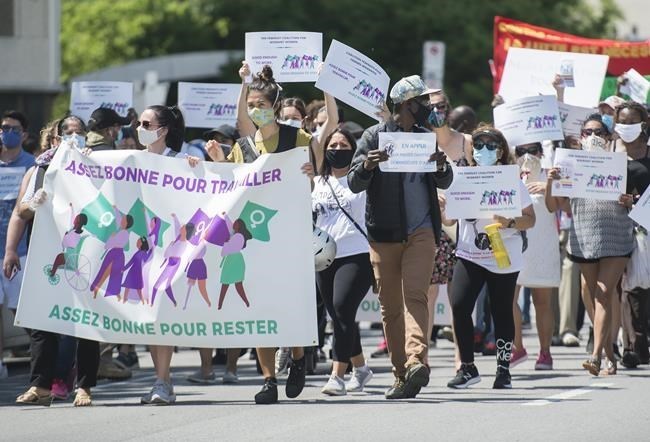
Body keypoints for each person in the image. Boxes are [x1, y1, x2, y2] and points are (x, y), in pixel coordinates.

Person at [209, 64, 315, 405]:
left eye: (260, 104)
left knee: (287, 302)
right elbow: (233, 185)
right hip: (252, 236)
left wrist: (310, 173)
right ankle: (268, 378)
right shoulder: (243, 145)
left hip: (289, 233)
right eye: (250, 104)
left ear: (274, 104)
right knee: (259, 306)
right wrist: (216, 162)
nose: (254, 110)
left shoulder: (298, 138)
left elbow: (310, 181)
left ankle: (297, 357)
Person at [348, 74, 452, 399]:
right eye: (423, 102)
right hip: (383, 233)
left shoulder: (426, 137)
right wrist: (367, 165)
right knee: (390, 306)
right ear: (407, 105)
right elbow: (353, 182)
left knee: (416, 296)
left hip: (422, 231)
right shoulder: (374, 136)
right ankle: (401, 373)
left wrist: (440, 166)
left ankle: (417, 360)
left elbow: (444, 180)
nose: (428, 108)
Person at [447, 125, 535, 390]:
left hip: (502, 253)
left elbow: (530, 219)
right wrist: (442, 208)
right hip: (469, 252)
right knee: (460, 305)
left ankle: (503, 369)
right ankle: (467, 368)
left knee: (501, 310)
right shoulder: (461, 178)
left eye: (490, 146)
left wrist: (508, 222)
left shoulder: (512, 182)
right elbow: (450, 218)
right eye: (478, 145)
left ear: (500, 152)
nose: (483, 151)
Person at [15, 135, 99, 407]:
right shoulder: (40, 169)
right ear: (55, 138)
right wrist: (35, 202)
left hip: (84, 257)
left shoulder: (97, 167)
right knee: (42, 324)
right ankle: (40, 385)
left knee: (86, 325)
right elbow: (22, 210)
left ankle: (84, 386)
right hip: (45, 250)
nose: (72, 139)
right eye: (67, 133)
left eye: (79, 133)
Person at [547, 113, 634, 376]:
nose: (593, 137)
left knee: (603, 293)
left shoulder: (622, 166)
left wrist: (630, 199)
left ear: (609, 138)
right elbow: (555, 206)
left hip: (616, 236)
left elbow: (639, 201)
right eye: (587, 132)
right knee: (590, 295)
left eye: (598, 132)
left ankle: (595, 356)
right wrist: (552, 181)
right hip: (584, 237)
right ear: (580, 137)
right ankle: (609, 354)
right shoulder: (571, 165)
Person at [134, 105, 200, 405]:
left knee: (161, 313)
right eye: (139, 122)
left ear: (163, 130)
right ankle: (165, 379)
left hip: (170, 252)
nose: (140, 126)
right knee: (150, 318)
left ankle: (160, 381)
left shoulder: (180, 162)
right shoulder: (131, 160)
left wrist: (197, 169)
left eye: (146, 123)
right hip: (141, 252)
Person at [312, 128, 374, 396]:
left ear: (354, 149)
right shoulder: (315, 182)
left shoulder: (361, 181)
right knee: (339, 315)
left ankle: (337, 376)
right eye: (332, 144)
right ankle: (360, 369)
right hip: (323, 257)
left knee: (340, 307)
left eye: (344, 144)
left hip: (356, 254)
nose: (337, 149)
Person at [510, 142, 561, 370]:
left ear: (541, 152)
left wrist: (548, 184)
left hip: (542, 241)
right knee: (508, 298)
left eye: (533, 149)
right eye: (521, 150)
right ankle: (517, 347)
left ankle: (545, 352)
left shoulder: (550, 171)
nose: (527, 155)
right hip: (514, 242)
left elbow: (553, 207)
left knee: (542, 301)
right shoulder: (508, 171)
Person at [0, 110, 36, 379]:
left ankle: (45, 361)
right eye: (3, 127)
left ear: (24, 134)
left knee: (24, 310)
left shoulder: (32, 165)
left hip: (21, 250)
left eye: (13, 128)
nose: (7, 132)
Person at [614, 101, 650, 367]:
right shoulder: (610, 157)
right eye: (622, 122)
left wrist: (637, 203)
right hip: (620, 230)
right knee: (628, 289)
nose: (626, 127)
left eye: (631, 121)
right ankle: (632, 347)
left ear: (644, 124)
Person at [427, 91, 473, 165]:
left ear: (448, 108)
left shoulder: (467, 141)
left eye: (441, 106)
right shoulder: (423, 146)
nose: (435, 110)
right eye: (430, 107)